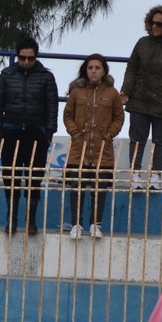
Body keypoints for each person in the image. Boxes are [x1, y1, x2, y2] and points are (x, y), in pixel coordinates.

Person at [0, 38, 58, 235]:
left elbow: (52, 106)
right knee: (10, 176)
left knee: (34, 177)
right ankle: (11, 219)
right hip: (10, 130)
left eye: (30, 58)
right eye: (22, 58)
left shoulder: (46, 77)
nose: (26, 61)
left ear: (36, 56)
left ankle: (31, 220)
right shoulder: (6, 74)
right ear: (17, 56)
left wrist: (48, 133)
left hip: (36, 132)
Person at [119, 5, 162, 192]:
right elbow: (131, 69)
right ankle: (135, 174)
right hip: (139, 99)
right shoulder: (142, 43)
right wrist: (126, 91)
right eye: (152, 22)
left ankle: (156, 175)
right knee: (137, 139)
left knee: (161, 140)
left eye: (160, 23)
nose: (155, 26)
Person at [63, 54, 124, 239]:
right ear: (85, 70)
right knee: (76, 187)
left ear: (104, 70)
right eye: (90, 68)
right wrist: (75, 133)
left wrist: (109, 134)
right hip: (79, 149)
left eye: (98, 68)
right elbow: (67, 115)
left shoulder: (112, 93)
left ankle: (95, 224)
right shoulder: (76, 92)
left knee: (100, 189)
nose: (94, 71)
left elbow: (119, 117)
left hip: (102, 149)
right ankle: (76, 224)